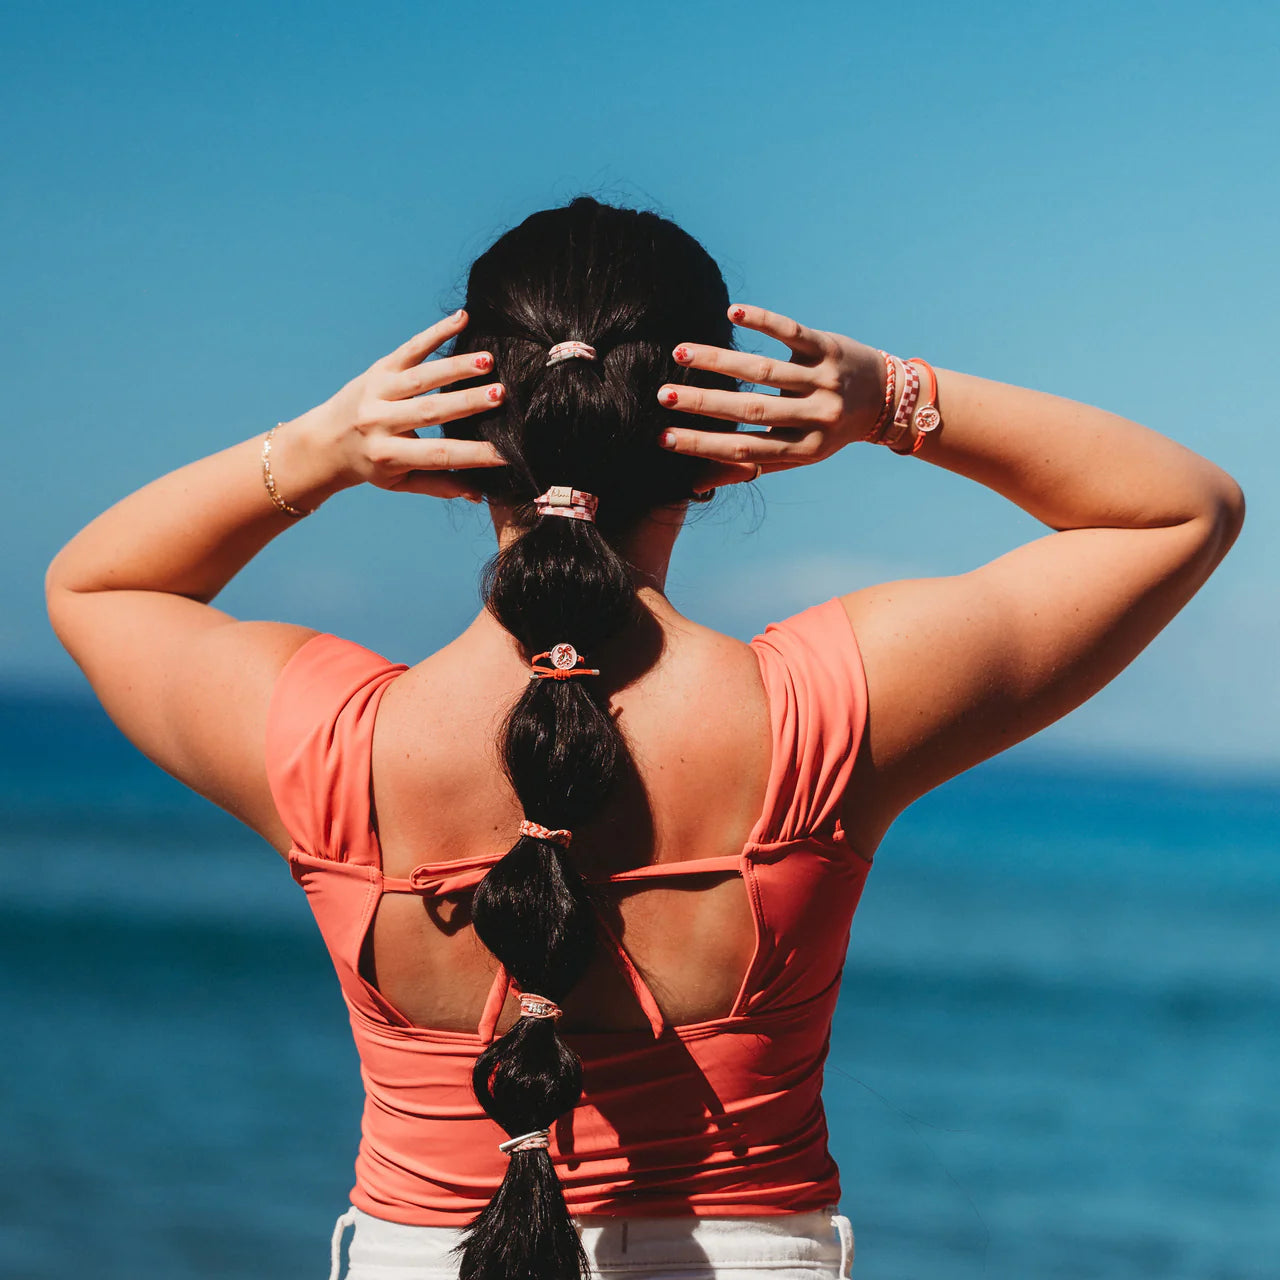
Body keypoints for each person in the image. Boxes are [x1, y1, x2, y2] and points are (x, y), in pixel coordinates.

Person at [44, 195, 1244, 1280]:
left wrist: (324, 448)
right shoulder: (821, 714)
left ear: (458, 434)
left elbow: (98, 585)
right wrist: (890, 400)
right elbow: (1177, 508)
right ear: (719, 451)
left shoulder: (333, 743)